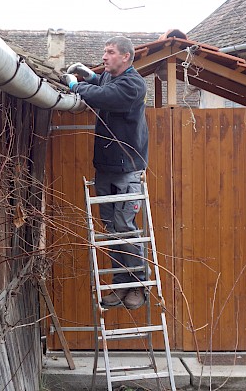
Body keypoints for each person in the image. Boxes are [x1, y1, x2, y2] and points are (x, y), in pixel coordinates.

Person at [61, 36, 149, 310]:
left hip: (127, 170)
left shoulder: (133, 85)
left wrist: (77, 85)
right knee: (112, 230)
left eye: (110, 52)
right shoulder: (111, 78)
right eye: (104, 52)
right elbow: (101, 84)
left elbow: (103, 96)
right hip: (106, 168)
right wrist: (90, 76)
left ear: (126, 57)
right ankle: (121, 285)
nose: (104, 56)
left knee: (125, 227)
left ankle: (138, 286)